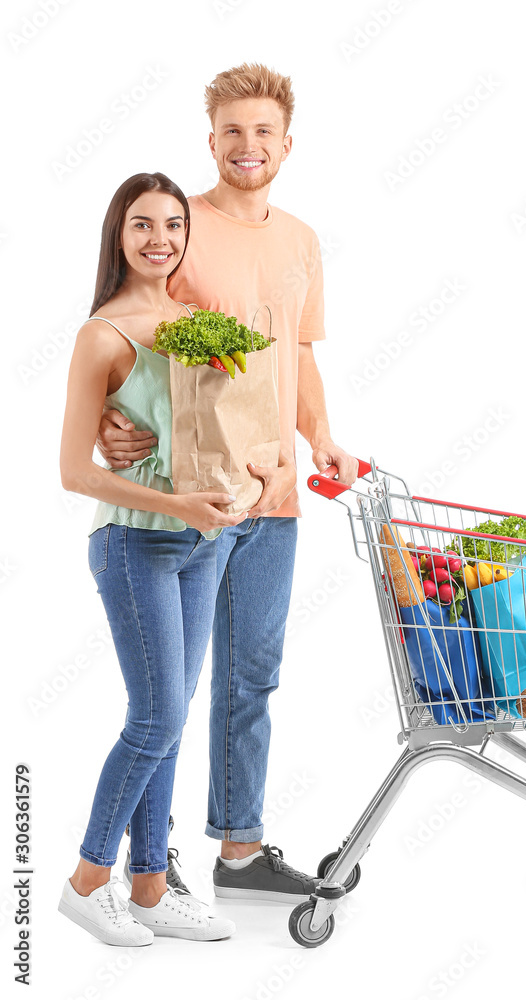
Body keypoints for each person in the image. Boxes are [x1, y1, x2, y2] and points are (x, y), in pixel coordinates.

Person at [97, 63, 358, 901]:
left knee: (254, 677)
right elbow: (129, 327)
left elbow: (300, 354)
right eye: (232, 133)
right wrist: (110, 419)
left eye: (263, 133)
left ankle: (239, 850)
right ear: (210, 141)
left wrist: (320, 436)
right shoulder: (183, 226)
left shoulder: (303, 241)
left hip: (273, 496)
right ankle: (150, 854)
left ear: (287, 144)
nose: (249, 148)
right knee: (171, 694)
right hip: (190, 495)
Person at [58, 172, 240, 946]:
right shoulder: (103, 334)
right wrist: (176, 505)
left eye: (173, 224)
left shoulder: (203, 324)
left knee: (171, 719)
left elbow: (231, 422)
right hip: (134, 541)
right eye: (142, 224)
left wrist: (245, 482)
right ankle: (85, 880)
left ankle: (151, 887)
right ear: (118, 236)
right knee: (157, 715)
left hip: (206, 542)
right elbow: (74, 471)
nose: (160, 238)